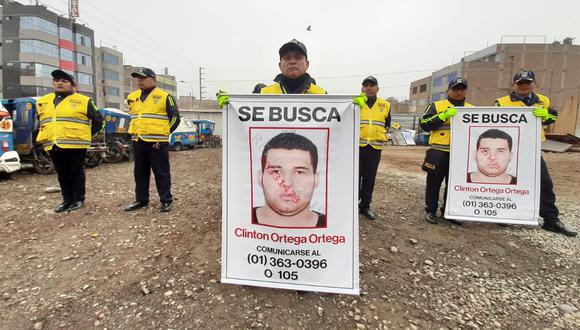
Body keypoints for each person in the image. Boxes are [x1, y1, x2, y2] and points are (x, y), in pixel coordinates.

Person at [493, 70, 576, 237]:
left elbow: (552, 117)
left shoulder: (543, 101)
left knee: (544, 184)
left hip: (532, 150)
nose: (524, 86)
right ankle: (504, 215)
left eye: (527, 83)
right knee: (507, 183)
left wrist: (546, 116)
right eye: (520, 83)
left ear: (534, 84)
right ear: (513, 85)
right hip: (510, 149)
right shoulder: (501, 102)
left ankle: (551, 220)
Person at [36, 70, 103, 212]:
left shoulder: (83, 101)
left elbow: (99, 121)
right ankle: (66, 200)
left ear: (73, 85)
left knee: (75, 171)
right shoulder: (43, 101)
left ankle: (78, 199)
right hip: (53, 142)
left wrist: (86, 134)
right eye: (57, 80)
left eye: (64, 81)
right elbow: (42, 120)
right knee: (62, 172)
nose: (59, 83)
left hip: (76, 143)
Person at [124, 68, 180, 213]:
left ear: (153, 80)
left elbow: (175, 118)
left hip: (157, 143)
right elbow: (135, 117)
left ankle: (166, 200)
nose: (139, 80)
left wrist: (163, 135)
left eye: (143, 78)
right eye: (138, 78)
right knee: (140, 173)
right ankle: (141, 200)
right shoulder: (132, 97)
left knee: (161, 173)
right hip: (138, 140)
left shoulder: (164, 96)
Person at [419, 77, 472, 225]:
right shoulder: (436, 106)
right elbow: (424, 124)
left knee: (455, 184)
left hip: (461, 153)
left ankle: (449, 211)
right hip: (439, 150)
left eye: (462, 89)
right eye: (455, 88)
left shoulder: (472, 109)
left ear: (466, 91)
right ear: (448, 90)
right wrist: (442, 116)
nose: (458, 91)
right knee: (434, 183)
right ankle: (431, 210)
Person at [217, 39, 326, 107]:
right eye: (287, 58)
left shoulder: (323, 95)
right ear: (280, 65)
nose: (292, 61)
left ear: (307, 64)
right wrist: (230, 105)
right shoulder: (263, 93)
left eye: (298, 57)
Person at [253, 132, 324, 228]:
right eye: (276, 171)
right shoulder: (239, 219)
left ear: (316, 179)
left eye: (299, 172)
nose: (287, 183)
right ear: (260, 178)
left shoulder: (336, 227)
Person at [352, 76, 391, 220]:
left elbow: (387, 123)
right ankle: (353, 205)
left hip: (374, 148)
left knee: (369, 178)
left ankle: (365, 207)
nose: (369, 87)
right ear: (362, 88)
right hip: (357, 147)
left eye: (372, 85)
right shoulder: (355, 102)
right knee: (355, 177)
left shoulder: (385, 105)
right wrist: (356, 105)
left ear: (377, 88)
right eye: (366, 85)